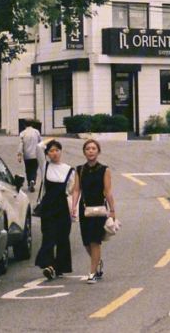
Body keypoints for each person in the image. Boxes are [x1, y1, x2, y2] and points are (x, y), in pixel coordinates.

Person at [72, 139, 115, 284]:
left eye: (93, 148)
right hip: (85, 209)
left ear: (98, 151)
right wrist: (73, 206)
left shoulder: (104, 169)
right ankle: (97, 262)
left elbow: (108, 190)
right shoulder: (79, 169)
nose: (91, 151)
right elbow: (77, 189)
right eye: (88, 149)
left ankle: (92, 272)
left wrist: (113, 210)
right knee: (86, 242)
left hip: (100, 209)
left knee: (94, 240)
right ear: (84, 152)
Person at [35, 140, 76, 280]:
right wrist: (51, 138)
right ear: (47, 154)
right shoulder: (45, 166)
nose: (55, 153)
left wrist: (74, 207)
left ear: (61, 152)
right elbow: (39, 147)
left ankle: (60, 267)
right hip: (48, 206)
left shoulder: (69, 170)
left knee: (63, 237)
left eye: (57, 150)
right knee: (48, 235)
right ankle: (49, 265)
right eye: (51, 151)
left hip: (63, 206)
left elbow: (72, 190)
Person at [18, 121, 42, 192]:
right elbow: (40, 142)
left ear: (25, 125)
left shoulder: (23, 133)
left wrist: (19, 154)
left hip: (27, 155)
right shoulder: (36, 132)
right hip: (36, 154)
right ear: (32, 124)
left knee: (28, 169)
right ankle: (33, 180)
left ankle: (29, 183)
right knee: (34, 169)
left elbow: (20, 144)